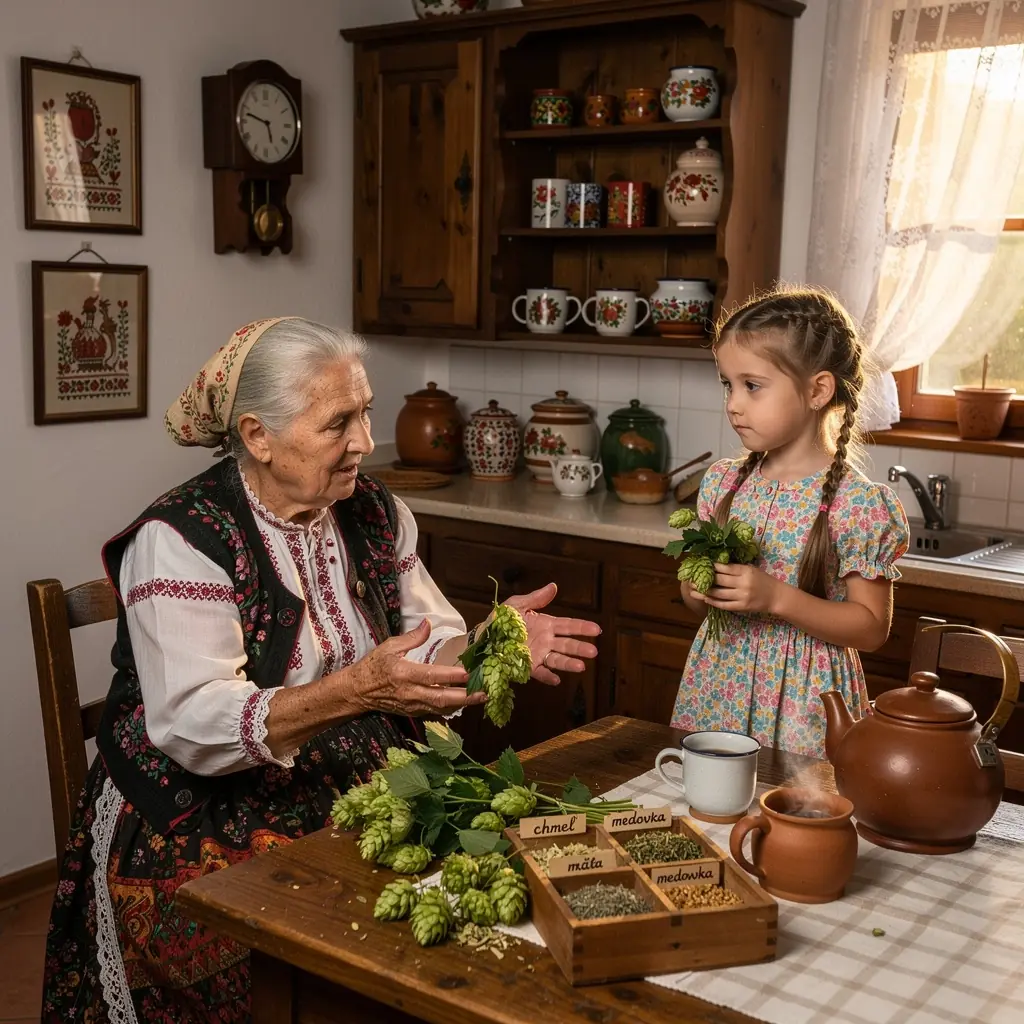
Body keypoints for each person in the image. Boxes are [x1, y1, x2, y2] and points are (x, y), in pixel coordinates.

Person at [42, 317, 601, 1023]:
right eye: (340, 422)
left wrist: (493, 645)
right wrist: (358, 688)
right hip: (195, 801)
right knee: (300, 955)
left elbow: (424, 646)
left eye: (365, 413)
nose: (366, 442)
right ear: (257, 436)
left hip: (345, 772)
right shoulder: (180, 538)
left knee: (485, 895)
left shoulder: (370, 511)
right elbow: (191, 724)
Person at [671, 288, 909, 759]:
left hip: (808, 704)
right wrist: (697, 591)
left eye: (752, 386)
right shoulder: (723, 484)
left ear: (818, 390)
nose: (734, 404)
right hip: (718, 689)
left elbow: (870, 628)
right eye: (728, 385)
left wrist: (776, 596)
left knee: (797, 819)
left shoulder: (857, 505)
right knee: (707, 814)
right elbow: (693, 598)